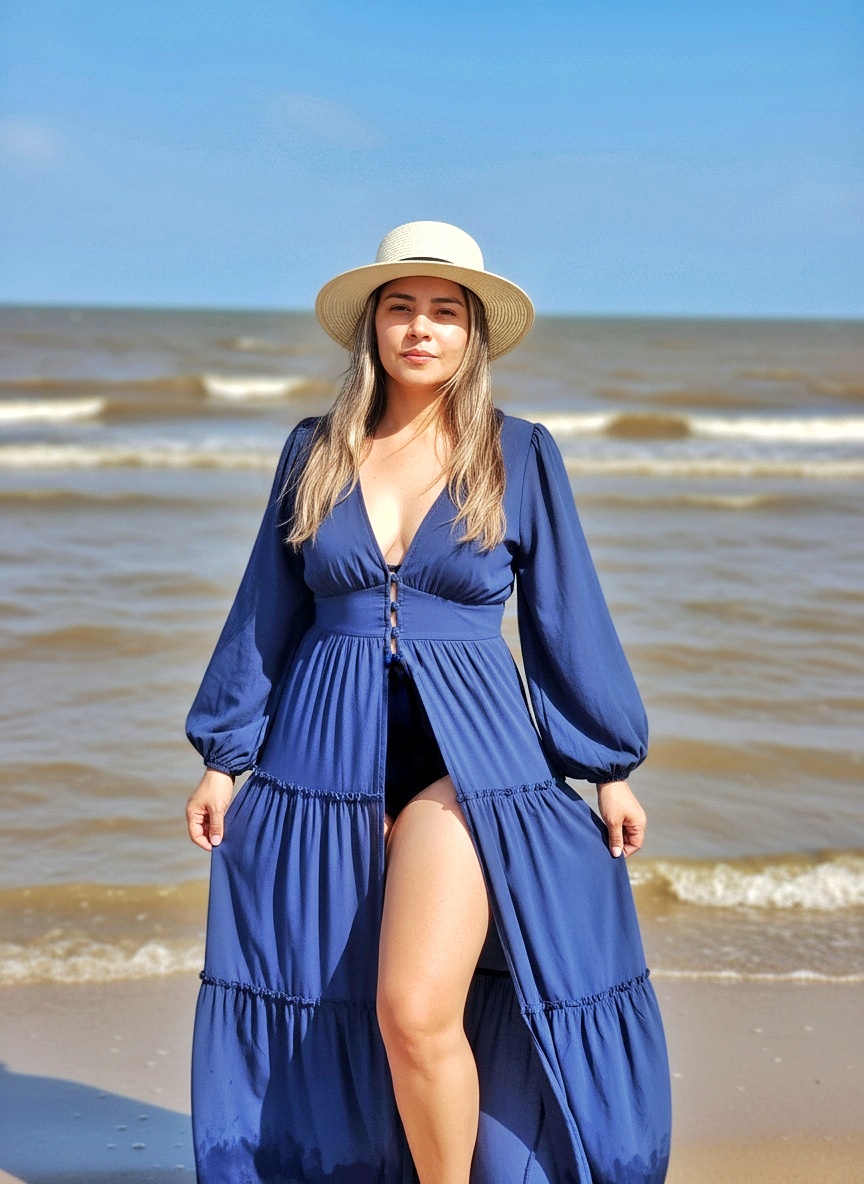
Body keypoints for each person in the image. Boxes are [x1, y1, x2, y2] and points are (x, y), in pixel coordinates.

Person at [185, 221, 671, 1184]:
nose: (420, 329)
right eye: (401, 308)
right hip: (321, 755)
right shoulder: (314, 452)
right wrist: (222, 753)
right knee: (337, 998)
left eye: (444, 312)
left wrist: (607, 767)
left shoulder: (518, 455)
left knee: (413, 1007)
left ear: (471, 336)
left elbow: (566, 618)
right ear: (372, 327)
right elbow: (265, 610)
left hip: (472, 762)